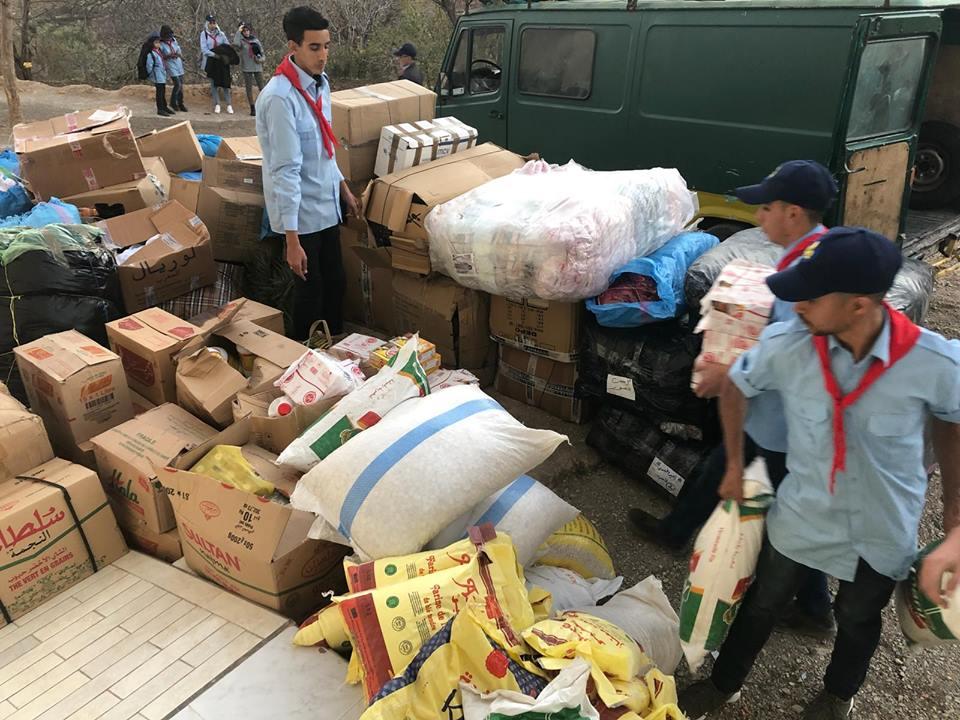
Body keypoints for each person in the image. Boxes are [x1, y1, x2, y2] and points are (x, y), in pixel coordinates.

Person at [679, 227, 960, 719]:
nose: (798, 306)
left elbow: (953, 421)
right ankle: (723, 684)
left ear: (859, 306)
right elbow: (735, 386)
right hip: (803, 511)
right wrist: (732, 463)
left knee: (857, 616)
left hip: (882, 523)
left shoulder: (932, 361)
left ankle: (837, 696)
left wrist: (954, 514)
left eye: (810, 296)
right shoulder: (788, 345)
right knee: (764, 600)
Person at [629, 160, 838, 637]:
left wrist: (729, 371)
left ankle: (815, 608)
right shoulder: (802, 254)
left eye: (766, 208)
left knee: (788, 518)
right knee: (720, 464)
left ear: (793, 211)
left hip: (788, 424)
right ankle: (677, 530)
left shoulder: (813, 268)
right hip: (770, 413)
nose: (759, 218)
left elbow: (797, 348)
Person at [256, 6, 359, 340]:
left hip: (325, 202)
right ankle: (304, 354)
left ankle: (338, 352)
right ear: (293, 47)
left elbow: (324, 147)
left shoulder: (320, 84)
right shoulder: (279, 98)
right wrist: (291, 239)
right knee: (309, 292)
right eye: (314, 47)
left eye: (327, 46)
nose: (324, 55)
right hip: (300, 216)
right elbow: (286, 169)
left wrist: (342, 186)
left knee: (336, 283)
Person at [200, 15, 232, 113]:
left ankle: (229, 104)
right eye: (211, 23)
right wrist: (214, 54)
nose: (213, 25)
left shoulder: (221, 34)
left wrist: (223, 54)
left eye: (214, 23)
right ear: (207, 23)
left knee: (225, 82)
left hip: (221, 61)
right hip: (211, 61)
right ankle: (217, 104)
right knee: (214, 83)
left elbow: (227, 45)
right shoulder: (204, 34)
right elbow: (204, 49)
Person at [234, 22, 266, 116]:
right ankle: (252, 108)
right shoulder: (241, 41)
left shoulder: (255, 40)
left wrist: (260, 59)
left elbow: (263, 54)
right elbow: (235, 44)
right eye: (244, 31)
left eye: (247, 30)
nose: (246, 32)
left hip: (257, 66)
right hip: (247, 67)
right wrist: (238, 32)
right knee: (249, 88)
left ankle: (265, 106)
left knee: (262, 88)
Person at [143, 33, 173, 116]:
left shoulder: (158, 52)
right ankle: (160, 109)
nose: (158, 44)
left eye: (159, 42)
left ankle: (164, 107)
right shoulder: (151, 54)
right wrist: (150, 75)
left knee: (163, 91)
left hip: (162, 75)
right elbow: (149, 66)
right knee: (159, 93)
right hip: (157, 75)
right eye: (156, 42)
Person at [159, 25, 187, 113]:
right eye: (167, 37)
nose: (169, 38)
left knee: (181, 84)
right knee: (177, 84)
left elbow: (178, 49)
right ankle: (172, 102)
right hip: (170, 64)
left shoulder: (174, 40)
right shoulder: (161, 44)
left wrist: (180, 56)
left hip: (178, 63)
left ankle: (180, 103)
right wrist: (169, 55)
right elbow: (161, 55)